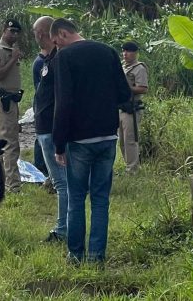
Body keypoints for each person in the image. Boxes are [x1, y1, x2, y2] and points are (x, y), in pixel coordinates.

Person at [50, 18, 131, 263]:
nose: (57, 48)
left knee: (76, 199)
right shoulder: (108, 52)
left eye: (56, 42)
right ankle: (96, 257)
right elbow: (124, 94)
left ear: (63, 34)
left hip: (79, 141)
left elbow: (63, 103)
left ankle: (75, 255)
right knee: (100, 200)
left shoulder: (64, 58)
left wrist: (59, 143)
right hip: (107, 137)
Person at [32, 16, 67, 242]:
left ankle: (63, 229)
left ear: (43, 34)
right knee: (63, 182)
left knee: (62, 183)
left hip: (52, 130)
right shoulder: (46, 60)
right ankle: (66, 226)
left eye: (37, 34)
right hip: (48, 128)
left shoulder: (59, 60)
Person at [0, 19, 24, 192]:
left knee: (8, 140)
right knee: (11, 143)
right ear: (4, 31)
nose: (14, 35)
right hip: (2, 100)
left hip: (11, 101)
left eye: (17, 32)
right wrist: (13, 59)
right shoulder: (0, 51)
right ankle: (13, 185)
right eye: (11, 31)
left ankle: (1, 180)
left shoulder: (10, 50)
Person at [118, 41, 148, 173]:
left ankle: (132, 169)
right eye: (124, 51)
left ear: (135, 53)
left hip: (132, 108)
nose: (125, 54)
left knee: (130, 140)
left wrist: (127, 88)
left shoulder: (139, 68)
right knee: (122, 141)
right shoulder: (123, 67)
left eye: (128, 51)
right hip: (121, 107)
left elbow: (143, 88)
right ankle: (128, 166)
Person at [31, 45, 49, 178]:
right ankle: (40, 167)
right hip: (42, 103)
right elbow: (40, 88)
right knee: (41, 137)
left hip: (44, 103)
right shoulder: (40, 62)